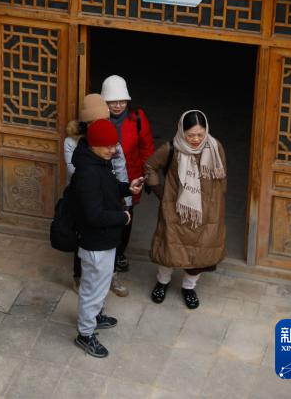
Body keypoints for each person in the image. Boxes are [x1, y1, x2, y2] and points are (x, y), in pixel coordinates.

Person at [71, 119, 144, 358]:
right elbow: (94, 215)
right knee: (93, 289)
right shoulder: (87, 173)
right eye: (108, 146)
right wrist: (122, 217)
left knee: (99, 285)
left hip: (104, 239)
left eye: (115, 145)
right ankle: (85, 334)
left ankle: (95, 316)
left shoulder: (99, 162)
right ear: (93, 144)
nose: (113, 150)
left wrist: (127, 188)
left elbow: (109, 189)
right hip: (96, 242)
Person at [144, 110, 227, 309]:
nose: (196, 139)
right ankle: (162, 282)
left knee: (200, 254)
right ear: (182, 132)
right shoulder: (171, 148)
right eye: (191, 135)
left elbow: (222, 177)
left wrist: (217, 204)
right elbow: (150, 166)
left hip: (207, 213)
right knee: (170, 250)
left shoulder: (215, 147)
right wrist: (159, 191)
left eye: (200, 134)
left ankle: (189, 287)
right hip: (176, 211)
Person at [65, 93, 130, 297]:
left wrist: (126, 191)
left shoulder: (109, 139)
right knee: (85, 240)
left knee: (109, 243)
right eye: (94, 121)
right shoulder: (75, 144)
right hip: (86, 196)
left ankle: (109, 277)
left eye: (104, 120)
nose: (100, 124)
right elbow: (76, 172)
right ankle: (80, 279)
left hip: (108, 193)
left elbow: (120, 166)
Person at [101, 74, 155, 274]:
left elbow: (146, 149)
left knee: (126, 216)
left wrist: (148, 177)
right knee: (103, 213)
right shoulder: (98, 120)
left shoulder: (137, 118)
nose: (118, 106)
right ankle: (104, 252)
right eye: (112, 101)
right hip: (103, 177)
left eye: (122, 101)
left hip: (130, 178)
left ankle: (120, 253)